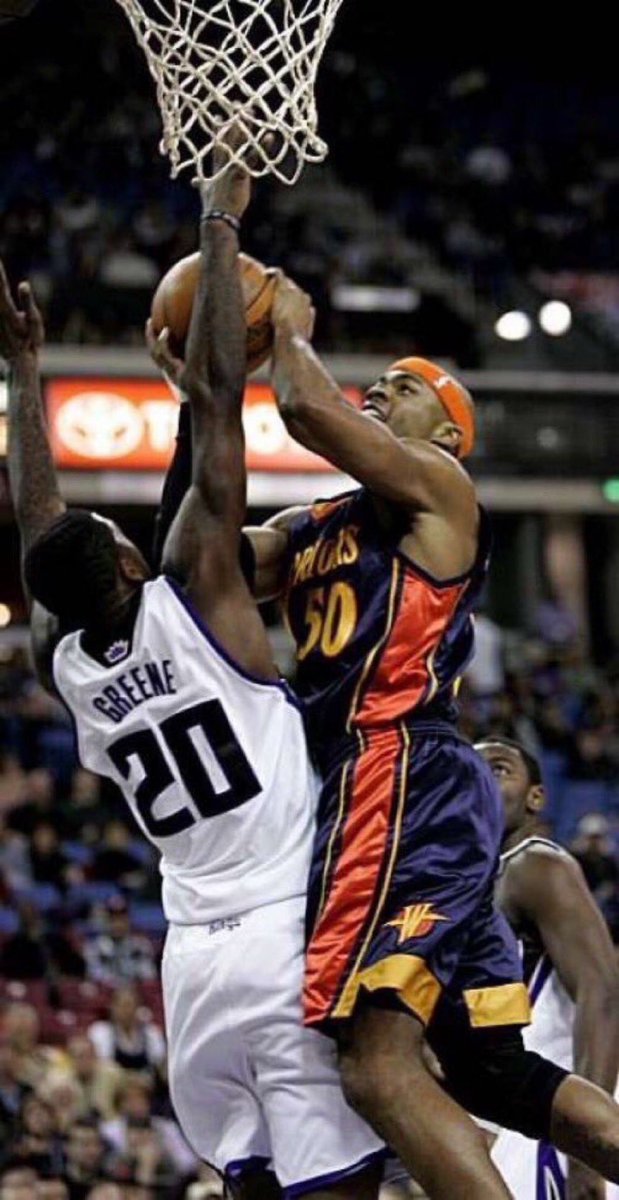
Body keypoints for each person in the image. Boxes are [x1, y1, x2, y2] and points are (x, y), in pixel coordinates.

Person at [147, 182, 619, 1194]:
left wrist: (285, 324)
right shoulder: (322, 522)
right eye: (385, 382)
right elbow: (201, 563)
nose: (383, 390)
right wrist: (200, 400)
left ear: (448, 437)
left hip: (396, 774)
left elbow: (309, 404)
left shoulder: (445, 493)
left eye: (408, 388)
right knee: (492, 1070)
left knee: (371, 1067)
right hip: (359, 789)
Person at [1, 143, 382, 1198]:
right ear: (132, 560)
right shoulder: (199, 596)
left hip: (192, 966)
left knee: (248, 1183)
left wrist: (23, 375)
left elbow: (42, 531)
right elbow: (221, 401)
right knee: (342, 1181)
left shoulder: (66, 664)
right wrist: (221, 220)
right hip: (281, 934)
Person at [476, 735, 619, 1199]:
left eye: (498, 769)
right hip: (521, 1113)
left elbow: (604, 994)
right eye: (467, 771)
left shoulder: (535, 866)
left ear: (536, 796)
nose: (480, 780)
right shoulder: (471, 884)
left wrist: (587, 1151)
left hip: (562, 1111)